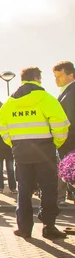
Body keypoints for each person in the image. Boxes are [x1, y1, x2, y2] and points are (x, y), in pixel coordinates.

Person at [0, 67, 70, 239]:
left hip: (21, 153)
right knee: (48, 189)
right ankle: (49, 227)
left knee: (24, 190)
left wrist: (16, 145)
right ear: (38, 78)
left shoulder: (8, 103)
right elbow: (61, 125)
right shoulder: (46, 98)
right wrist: (55, 143)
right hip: (44, 151)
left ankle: (24, 228)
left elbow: (3, 131)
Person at [54, 61, 75, 205]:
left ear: (71, 75)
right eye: (54, 76)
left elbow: (70, 121)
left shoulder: (72, 93)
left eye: (59, 76)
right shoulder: (66, 92)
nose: (56, 80)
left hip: (70, 146)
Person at [0, 101, 16, 194]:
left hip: (8, 147)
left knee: (10, 168)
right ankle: (0, 187)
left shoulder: (9, 118)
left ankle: (13, 187)